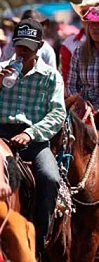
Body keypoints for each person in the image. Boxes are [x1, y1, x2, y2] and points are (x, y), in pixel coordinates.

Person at [0, 18, 65, 254]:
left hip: (33, 139)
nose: (22, 51)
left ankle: (39, 244)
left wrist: (31, 132)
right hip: (0, 135)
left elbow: (58, 114)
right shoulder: (2, 69)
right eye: (19, 45)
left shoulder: (51, 76)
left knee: (49, 178)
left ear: (39, 47)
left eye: (28, 46)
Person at [60, 0, 99, 81]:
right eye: (85, 12)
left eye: (95, 12)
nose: (90, 16)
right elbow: (67, 79)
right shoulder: (69, 44)